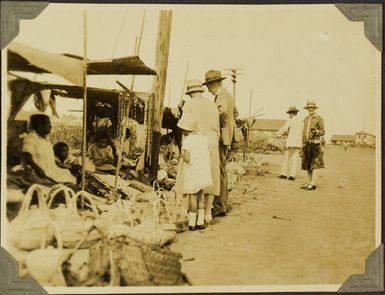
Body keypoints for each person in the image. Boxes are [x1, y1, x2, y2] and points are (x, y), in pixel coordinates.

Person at [182, 79, 220, 225]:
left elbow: (186, 128)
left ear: (190, 93)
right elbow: (216, 128)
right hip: (211, 142)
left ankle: (192, 214)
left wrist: (184, 147)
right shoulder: (212, 104)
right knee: (210, 176)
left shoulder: (189, 104)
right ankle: (208, 212)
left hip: (196, 142)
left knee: (193, 177)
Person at [203, 70, 235, 217]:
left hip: (222, 137)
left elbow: (220, 113)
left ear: (213, 84)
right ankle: (222, 203)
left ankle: (220, 205)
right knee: (221, 170)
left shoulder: (221, 95)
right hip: (225, 136)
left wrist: (210, 123)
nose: (208, 89)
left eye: (209, 86)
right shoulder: (225, 95)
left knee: (219, 170)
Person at [175, 112, 212, 231]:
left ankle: (192, 222)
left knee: (192, 198)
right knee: (201, 197)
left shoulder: (188, 141)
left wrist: (182, 154)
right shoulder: (203, 139)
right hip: (203, 172)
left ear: (186, 129)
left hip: (192, 172)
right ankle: (200, 222)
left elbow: (187, 158)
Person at [21, 114, 76, 184]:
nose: (50, 126)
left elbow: (49, 161)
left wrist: (64, 167)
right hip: (40, 174)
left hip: (51, 172)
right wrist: (37, 168)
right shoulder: (31, 138)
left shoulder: (47, 141)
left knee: (69, 174)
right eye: (48, 123)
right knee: (68, 185)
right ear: (40, 125)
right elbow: (26, 155)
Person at [301, 100, 325, 190]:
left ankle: (313, 183)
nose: (310, 109)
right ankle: (308, 183)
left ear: (315, 108)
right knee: (307, 164)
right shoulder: (306, 119)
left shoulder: (319, 118)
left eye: (312, 107)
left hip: (315, 143)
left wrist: (316, 132)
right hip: (306, 144)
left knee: (315, 164)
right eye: (309, 108)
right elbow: (304, 132)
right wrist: (303, 142)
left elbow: (323, 131)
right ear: (307, 109)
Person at [277, 106, 303, 180]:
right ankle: (292, 175)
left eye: (289, 113)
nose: (289, 115)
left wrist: (278, 134)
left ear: (292, 113)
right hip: (297, 143)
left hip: (290, 142)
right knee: (294, 159)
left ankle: (284, 174)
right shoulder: (301, 122)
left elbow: (284, 128)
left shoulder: (291, 120)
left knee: (286, 158)